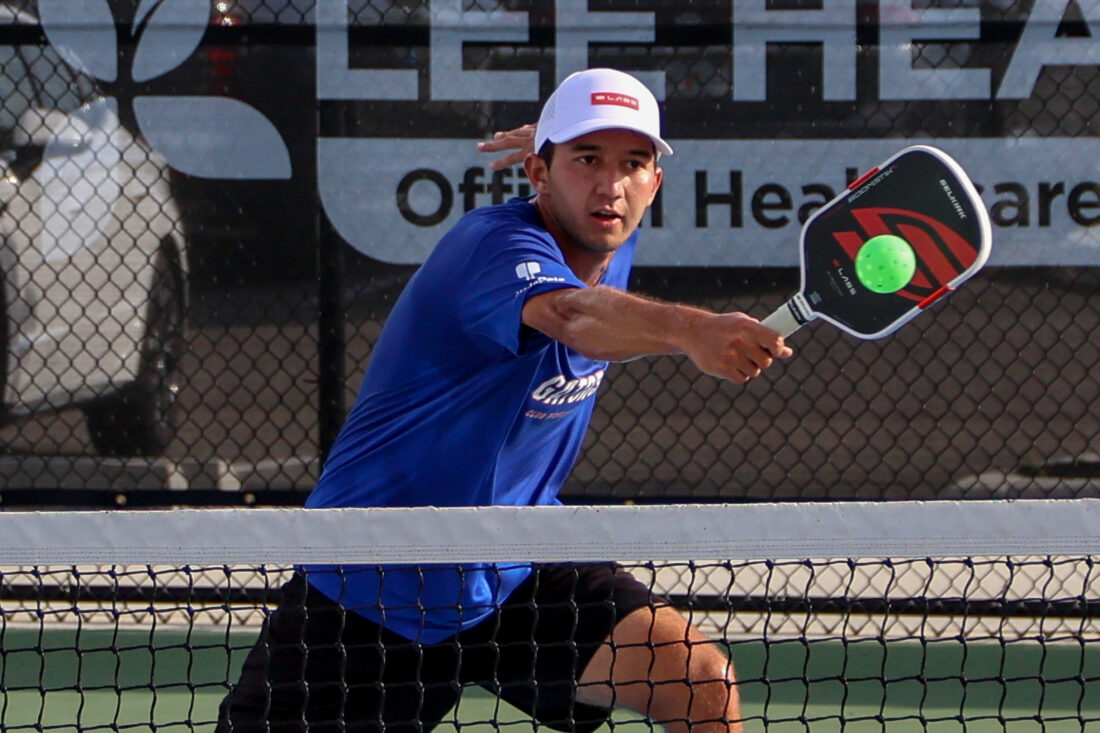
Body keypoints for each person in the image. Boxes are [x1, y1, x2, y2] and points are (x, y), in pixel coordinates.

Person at [217, 68, 791, 733]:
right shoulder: (492, 247)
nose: (611, 185)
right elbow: (574, 316)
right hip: (376, 579)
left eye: (632, 163)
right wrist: (692, 330)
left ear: (655, 183)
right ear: (537, 174)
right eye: (587, 160)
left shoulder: (610, 228)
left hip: (515, 561)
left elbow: (597, 207)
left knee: (697, 682)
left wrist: (567, 150)